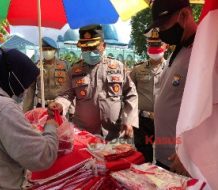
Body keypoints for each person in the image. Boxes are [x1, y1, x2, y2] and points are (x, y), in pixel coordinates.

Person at [0, 47, 58, 189]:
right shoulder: (0, 107)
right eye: (23, 83)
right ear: (11, 77)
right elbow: (42, 156)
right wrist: (51, 125)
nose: (23, 90)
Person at [49, 25, 138, 141]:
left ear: (104, 45)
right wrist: (60, 104)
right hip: (84, 134)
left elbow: (131, 94)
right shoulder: (74, 70)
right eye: (85, 48)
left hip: (113, 133)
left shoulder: (118, 67)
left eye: (93, 47)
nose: (89, 52)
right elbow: (66, 95)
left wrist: (129, 120)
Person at [145, 0, 197, 174]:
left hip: (185, 161)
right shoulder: (181, 49)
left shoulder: (202, 52)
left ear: (183, 15)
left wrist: (192, 154)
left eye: (163, 26)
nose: (160, 33)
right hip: (166, 155)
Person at [130, 28, 166, 162]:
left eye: (157, 44)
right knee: (144, 158)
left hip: (164, 120)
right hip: (143, 121)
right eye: (151, 44)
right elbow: (128, 93)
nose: (154, 47)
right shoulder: (137, 69)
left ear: (165, 46)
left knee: (165, 157)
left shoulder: (171, 68)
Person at [23, 37, 69, 112]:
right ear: (41, 50)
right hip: (41, 106)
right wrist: (26, 111)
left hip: (58, 106)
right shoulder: (36, 66)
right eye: (45, 49)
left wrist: (71, 110)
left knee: (60, 124)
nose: (47, 51)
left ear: (55, 50)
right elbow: (30, 90)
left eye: (50, 49)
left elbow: (69, 89)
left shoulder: (64, 65)